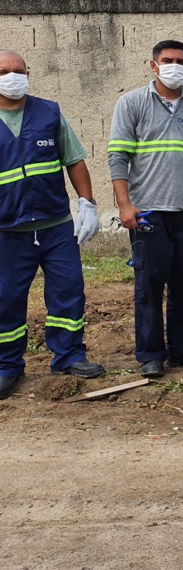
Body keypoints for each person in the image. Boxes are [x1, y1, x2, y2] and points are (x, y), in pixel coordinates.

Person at [108, 40, 183, 378]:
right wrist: (125, 205)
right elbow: (118, 157)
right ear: (153, 65)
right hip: (147, 212)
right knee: (150, 284)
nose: (175, 66)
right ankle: (150, 354)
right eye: (168, 60)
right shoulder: (131, 103)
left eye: (181, 61)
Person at [0, 50, 104, 399]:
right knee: (6, 300)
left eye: (19, 70)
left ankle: (69, 355)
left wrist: (87, 203)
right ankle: (7, 366)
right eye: (4, 71)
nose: (13, 77)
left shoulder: (49, 112)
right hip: (8, 231)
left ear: (29, 73)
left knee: (68, 291)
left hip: (56, 225)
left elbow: (73, 160)